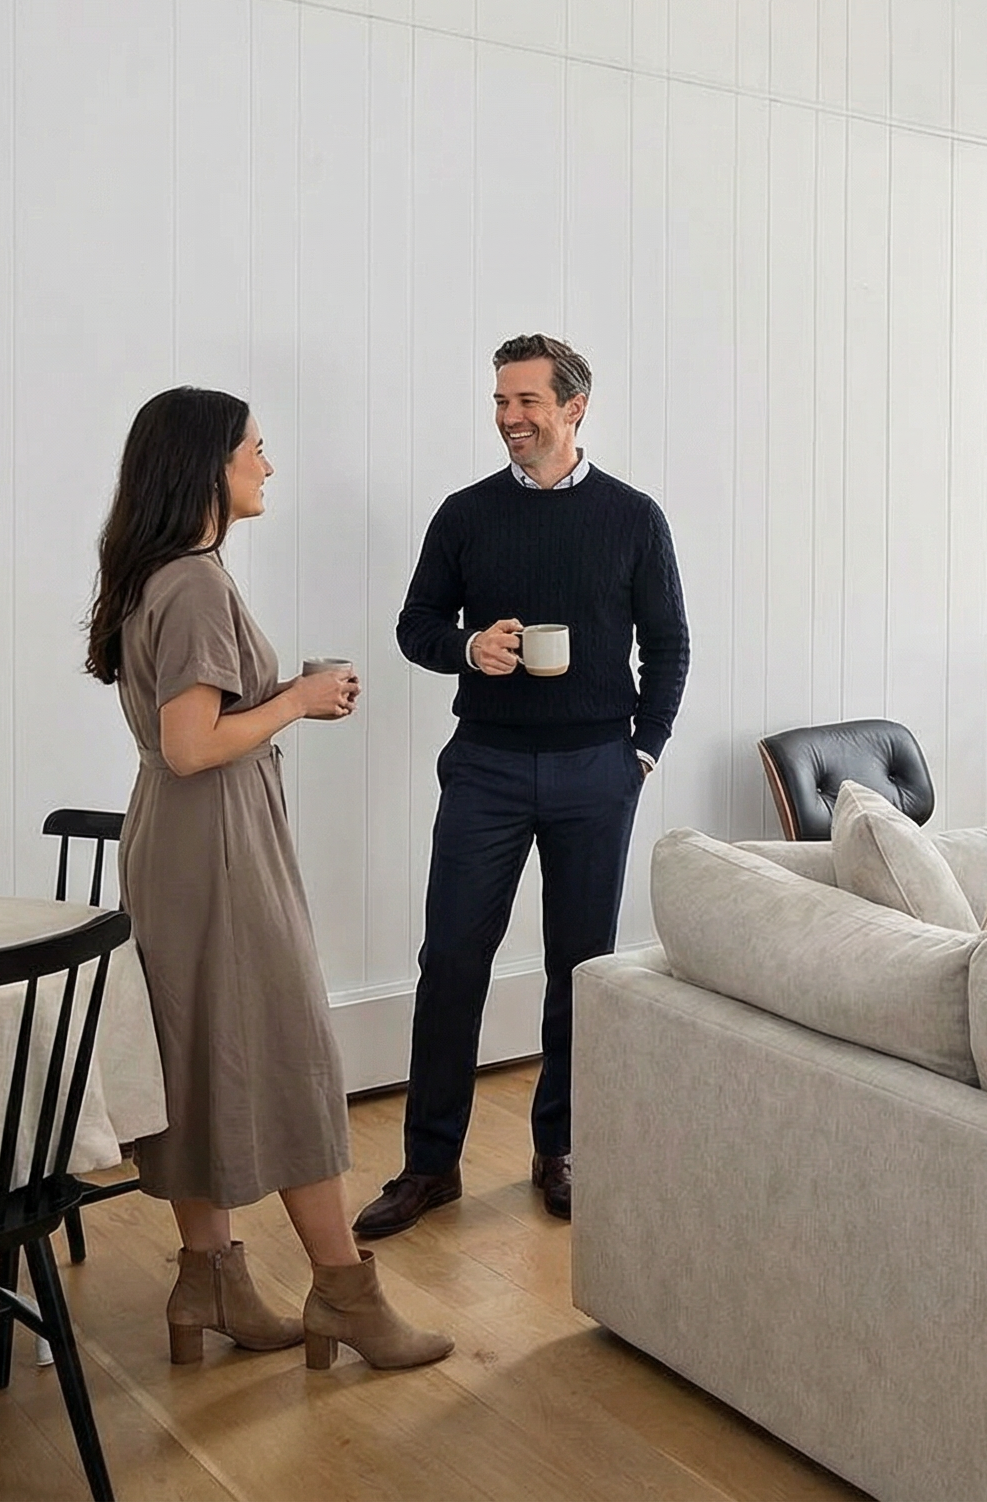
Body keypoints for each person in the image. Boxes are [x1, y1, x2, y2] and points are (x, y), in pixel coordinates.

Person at [86, 387, 451, 1372]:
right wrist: (298, 698)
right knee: (291, 1056)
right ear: (211, 463)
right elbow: (193, 743)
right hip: (216, 847)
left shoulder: (153, 574)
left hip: (177, 843)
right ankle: (346, 1294)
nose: (269, 464)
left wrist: (286, 705)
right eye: (256, 448)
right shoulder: (196, 583)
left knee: (198, 1058)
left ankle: (209, 1278)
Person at [358, 335, 691, 1237]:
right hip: (487, 766)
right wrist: (470, 647)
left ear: (574, 407)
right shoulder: (465, 515)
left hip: (598, 768)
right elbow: (414, 625)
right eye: (501, 402)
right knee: (450, 962)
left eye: (528, 402)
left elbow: (668, 646)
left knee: (577, 971)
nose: (510, 418)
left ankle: (561, 1149)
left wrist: (643, 753)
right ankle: (430, 1166)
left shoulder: (634, 518)